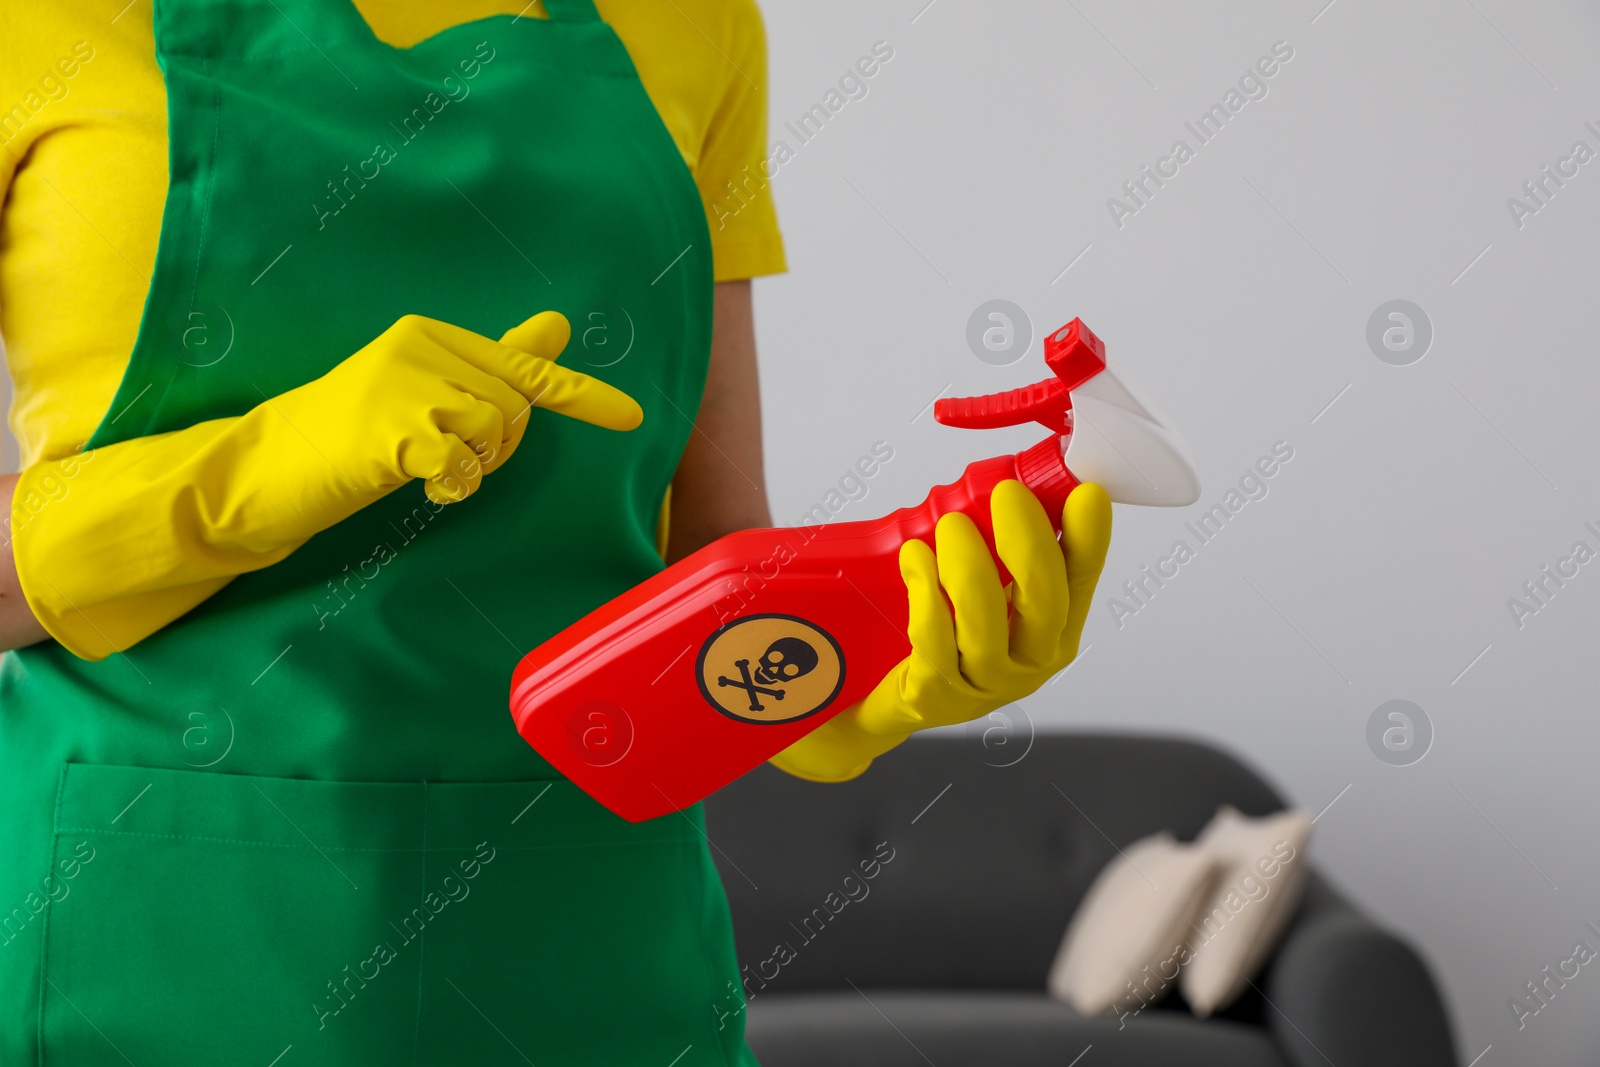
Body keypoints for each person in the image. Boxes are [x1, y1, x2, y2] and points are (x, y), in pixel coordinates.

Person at [0, 1, 1110, 1062]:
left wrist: (867, 673)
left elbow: (712, 560)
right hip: (140, 933)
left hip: (585, 945)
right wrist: (246, 474)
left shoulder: (692, 21)